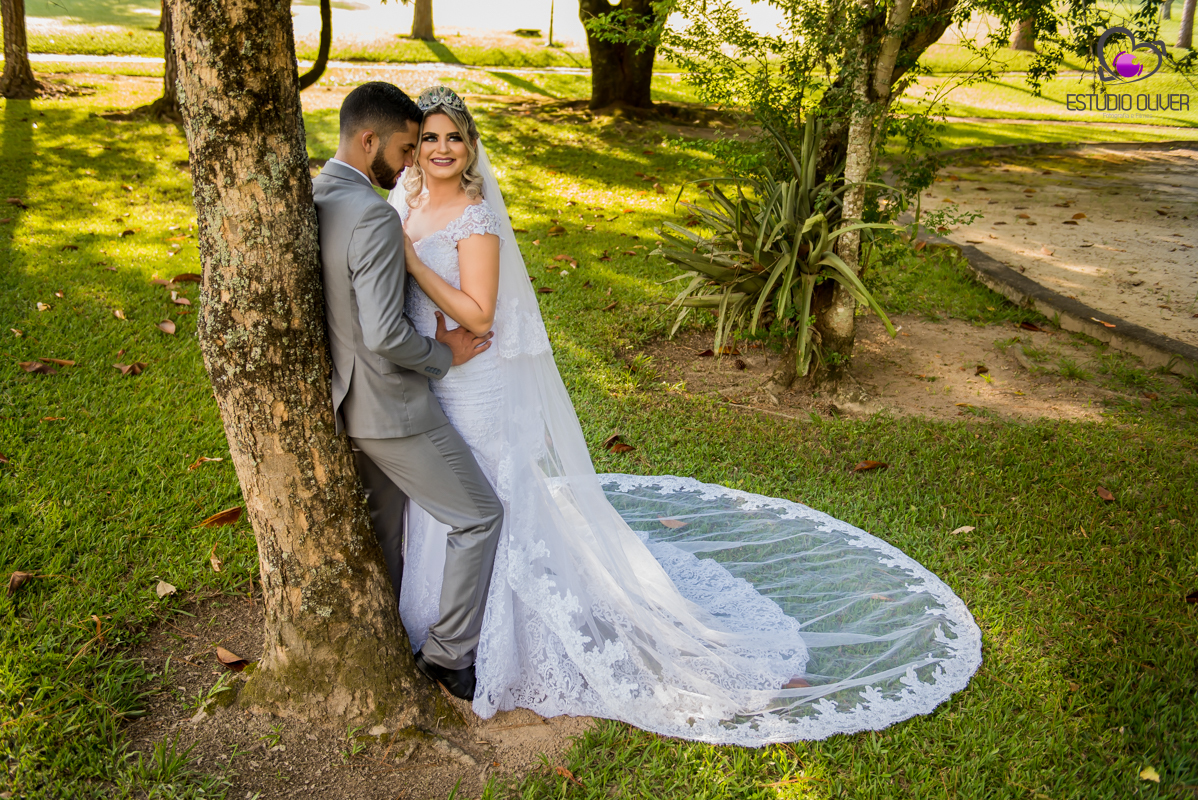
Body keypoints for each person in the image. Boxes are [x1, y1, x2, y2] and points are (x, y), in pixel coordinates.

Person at [387, 85, 983, 746]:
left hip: (474, 386)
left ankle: (484, 638)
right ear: (414, 145)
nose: (442, 148)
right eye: (430, 137)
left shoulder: (474, 218)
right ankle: (435, 617)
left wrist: (413, 262)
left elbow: (479, 314)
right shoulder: (405, 201)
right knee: (440, 498)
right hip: (432, 377)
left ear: (471, 146)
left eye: (455, 136)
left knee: (487, 494)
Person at [311, 82, 501, 701]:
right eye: (406, 146)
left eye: (441, 140)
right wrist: (445, 356)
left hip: (349, 402)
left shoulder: (319, 194)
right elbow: (387, 334)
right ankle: (447, 655)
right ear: (370, 140)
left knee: (385, 531)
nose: (412, 158)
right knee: (480, 515)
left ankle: (381, 641)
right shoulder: (374, 213)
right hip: (393, 407)